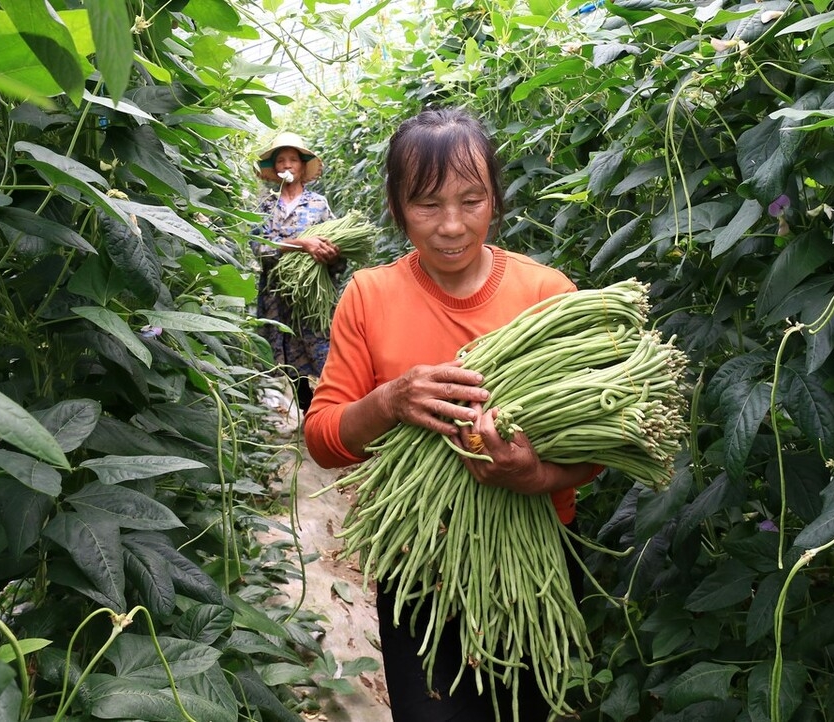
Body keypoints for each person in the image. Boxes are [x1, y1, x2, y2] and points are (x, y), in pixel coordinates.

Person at [303, 108, 598, 721]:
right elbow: (324, 439)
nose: (452, 226)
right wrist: (389, 401)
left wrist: (536, 476)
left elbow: (600, 440)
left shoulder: (547, 296)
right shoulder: (369, 295)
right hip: (419, 567)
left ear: (496, 197)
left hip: (532, 562)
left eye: (472, 200)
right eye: (427, 205)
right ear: (395, 205)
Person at [252, 131, 341, 417]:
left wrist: (331, 255)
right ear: (275, 169)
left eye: (293, 160)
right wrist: (302, 244)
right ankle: (309, 412)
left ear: (302, 167)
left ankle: (336, 413)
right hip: (277, 297)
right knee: (289, 356)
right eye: (281, 161)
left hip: (312, 296)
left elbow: (336, 250)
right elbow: (260, 248)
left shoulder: (318, 205)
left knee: (323, 351)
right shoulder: (266, 207)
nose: (287, 165)